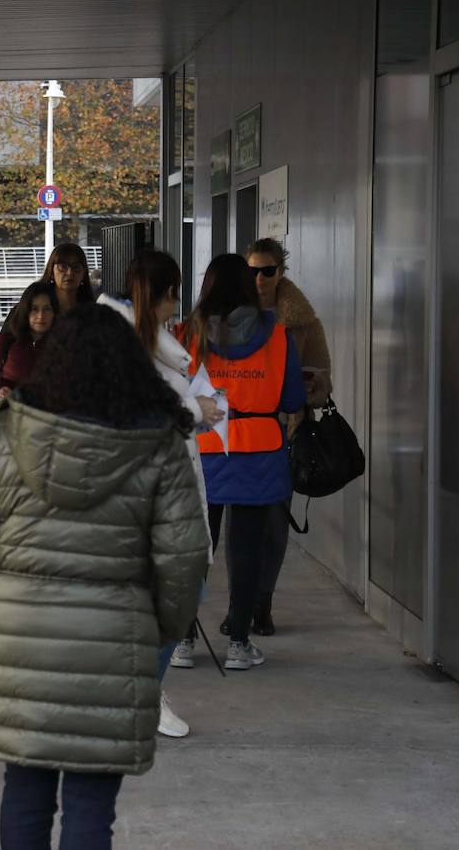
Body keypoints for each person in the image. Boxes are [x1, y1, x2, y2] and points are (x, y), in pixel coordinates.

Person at [0, 302, 208, 849]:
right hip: (114, 642)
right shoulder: (160, 445)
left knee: (25, 789)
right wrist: (156, 631)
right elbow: (184, 559)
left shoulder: (3, 434)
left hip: (21, 638)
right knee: (92, 804)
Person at [97, 249, 224, 739]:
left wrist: (200, 411)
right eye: (175, 293)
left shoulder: (151, 342)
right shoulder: (121, 342)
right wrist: (196, 411)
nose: (177, 302)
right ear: (169, 292)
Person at [178, 254, 306, 670]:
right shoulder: (279, 336)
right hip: (259, 451)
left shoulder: (188, 334)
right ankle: (238, 643)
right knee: (248, 549)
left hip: (205, 448)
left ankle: (183, 641)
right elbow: (292, 400)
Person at [239, 237, 332, 635]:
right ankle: (239, 606)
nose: (259, 278)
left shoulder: (303, 323)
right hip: (239, 433)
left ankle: (263, 604)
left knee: (275, 526)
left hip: (284, 433)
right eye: (252, 271)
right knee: (240, 527)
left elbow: (323, 380)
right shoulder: (229, 317)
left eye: (268, 271)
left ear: (280, 273)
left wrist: (305, 384)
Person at [0, 282, 57, 402]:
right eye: (34, 309)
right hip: (11, 411)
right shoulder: (5, 342)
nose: (40, 316)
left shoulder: (66, 345)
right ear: (25, 311)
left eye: (47, 309)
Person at [38, 242, 95, 314]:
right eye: (62, 266)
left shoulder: (94, 312)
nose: (69, 273)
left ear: (83, 273)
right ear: (51, 272)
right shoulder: (37, 307)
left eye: (76, 267)